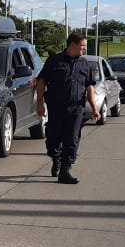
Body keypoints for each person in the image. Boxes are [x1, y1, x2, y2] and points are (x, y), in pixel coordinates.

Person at [34, 32, 98, 184]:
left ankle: (65, 170)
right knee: (53, 139)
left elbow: (89, 87)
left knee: (72, 139)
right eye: (82, 46)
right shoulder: (54, 61)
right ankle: (56, 158)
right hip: (56, 107)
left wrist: (94, 108)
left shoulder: (84, 64)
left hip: (76, 108)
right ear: (73, 45)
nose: (84, 50)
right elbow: (42, 82)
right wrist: (39, 103)